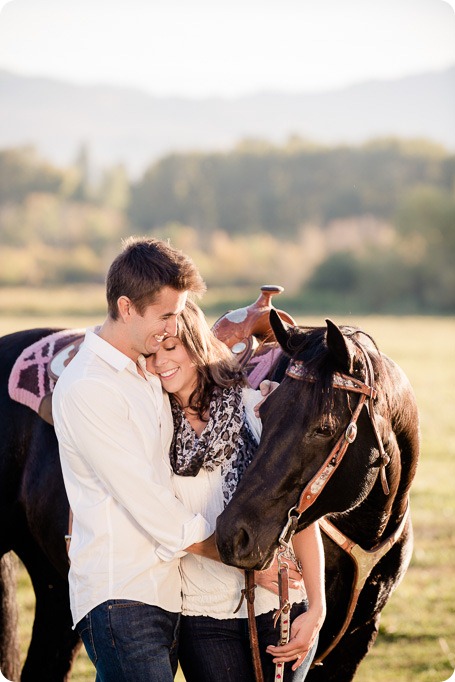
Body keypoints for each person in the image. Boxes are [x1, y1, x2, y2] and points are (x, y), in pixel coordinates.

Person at [52, 237, 220, 682]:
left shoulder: (146, 370)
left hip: (164, 592)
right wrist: (236, 555)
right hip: (120, 595)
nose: (173, 327)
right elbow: (144, 498)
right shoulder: (90, 386)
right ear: (127, 308)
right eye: (166, 315)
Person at [149, 299, 326, 682]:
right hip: (205, 615)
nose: (159, 362)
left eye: (171, 348)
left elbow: (298, 509)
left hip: (283, 606)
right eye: (151, 353)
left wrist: (317, 607)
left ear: (196, 346)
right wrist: (244, 562)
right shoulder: (153, 429)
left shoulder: (254, 409)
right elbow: (158, 520)